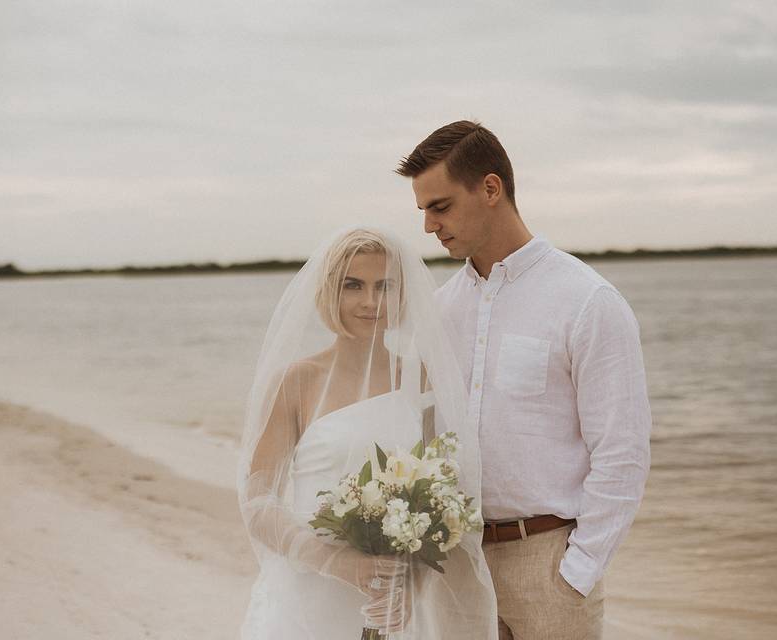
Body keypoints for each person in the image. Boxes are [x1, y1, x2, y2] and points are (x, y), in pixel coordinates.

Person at [396, 121, 652, 639]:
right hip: (457, 563)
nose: (427, 225)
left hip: (549, 566)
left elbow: (622, 451)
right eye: (423, 209)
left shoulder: (587, 301)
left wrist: (576, 573)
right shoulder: (441, 310)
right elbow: (424, 436)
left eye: (440, 206)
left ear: (490, 189)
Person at [237, 226, 499, 639]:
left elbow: (441, 497)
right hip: (310, 595)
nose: (370, 302)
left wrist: (411, 585)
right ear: (328, 292)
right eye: (353, 285)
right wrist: (334, 561)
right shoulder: (296, 381)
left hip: (392, 600)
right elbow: (257, 500)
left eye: (385, 286)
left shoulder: (421, 379)